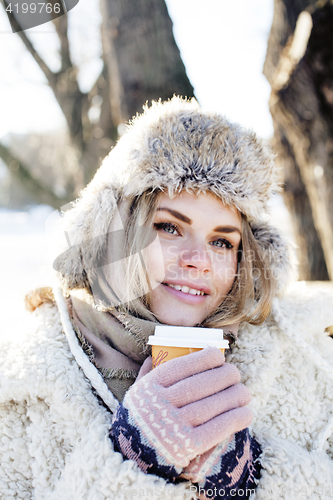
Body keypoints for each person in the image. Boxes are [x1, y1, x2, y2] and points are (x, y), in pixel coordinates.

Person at [1, 97, 333, 500]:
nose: (199, 262)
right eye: (170, 228)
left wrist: (253, 480)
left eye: (222, 241)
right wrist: (130, 462)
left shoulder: (308, 359)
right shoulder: (19, 386)